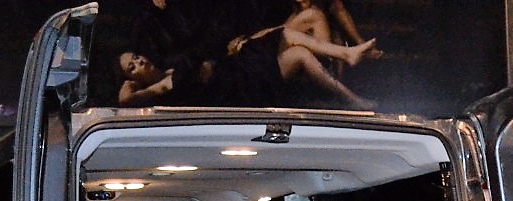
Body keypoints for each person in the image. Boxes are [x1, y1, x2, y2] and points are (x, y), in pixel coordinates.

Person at [118, 21, 376, 107]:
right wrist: (130, 85)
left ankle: (352, 96)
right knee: (284, 36)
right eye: (133, 66)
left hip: (240, 70)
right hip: (241, 87)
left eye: (136, 57)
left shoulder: (172, 65)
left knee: (296, 49)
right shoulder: (162, 85)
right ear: (134, 77)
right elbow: (125, 100)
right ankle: (347, 57)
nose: (139, 61)